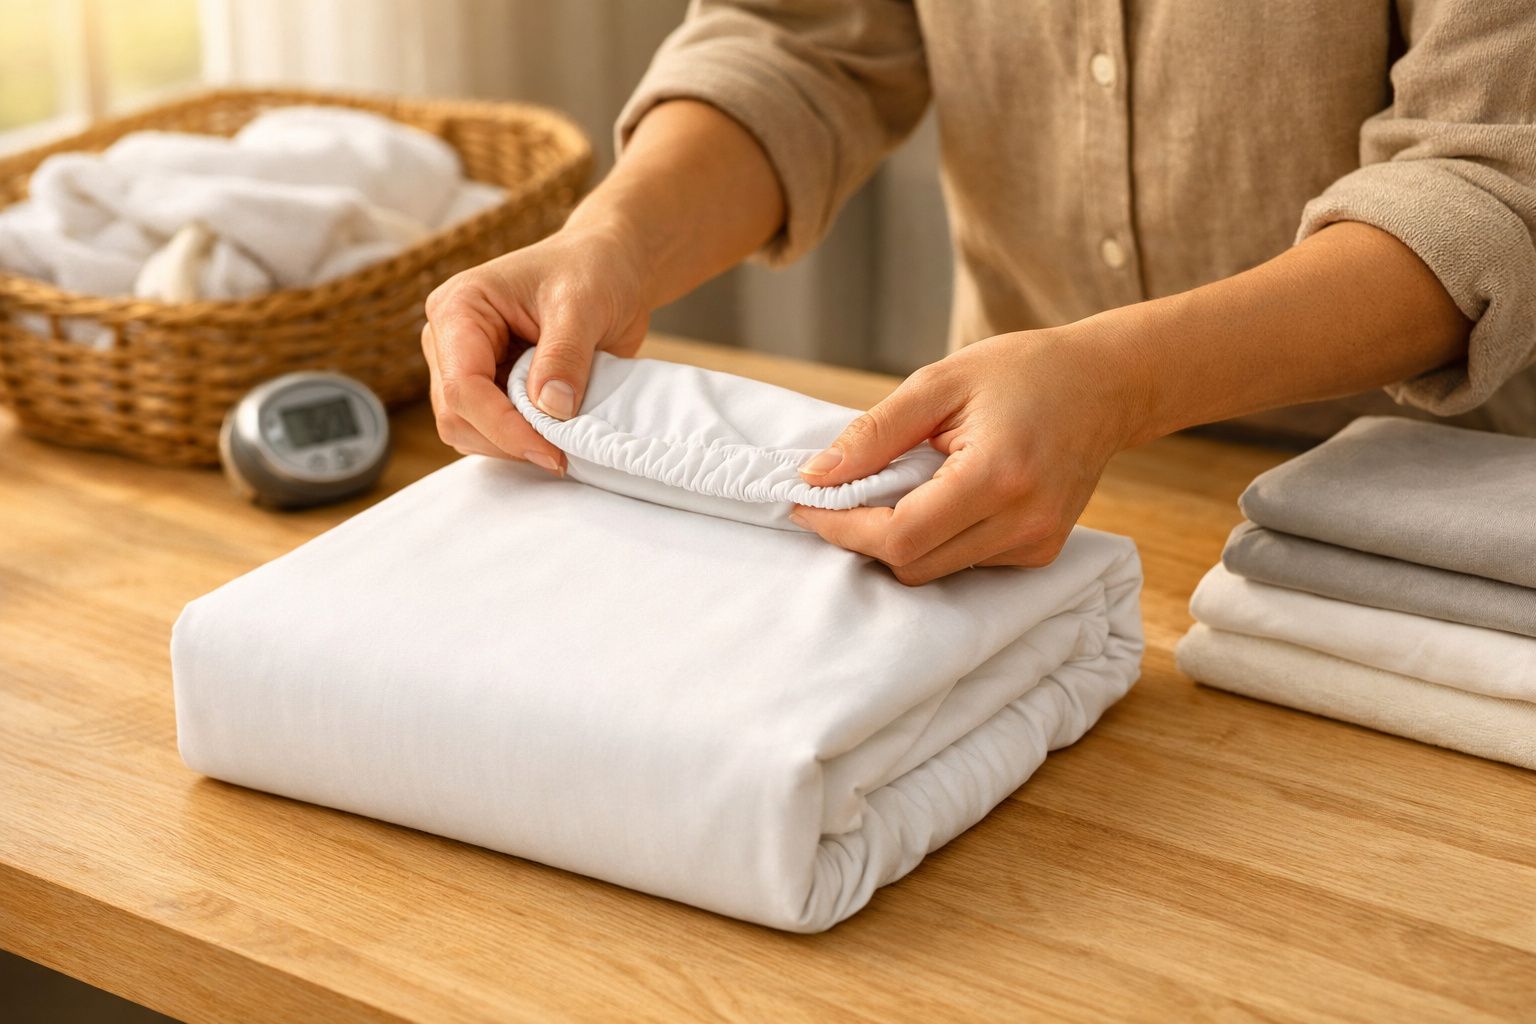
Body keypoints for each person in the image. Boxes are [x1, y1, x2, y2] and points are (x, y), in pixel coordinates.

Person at [421, 1, 1536, 584]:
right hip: (991, 484)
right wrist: (611, 241)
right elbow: (801, 36)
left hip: (1439, 526)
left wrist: (1118, 382)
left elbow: (1482, 178)